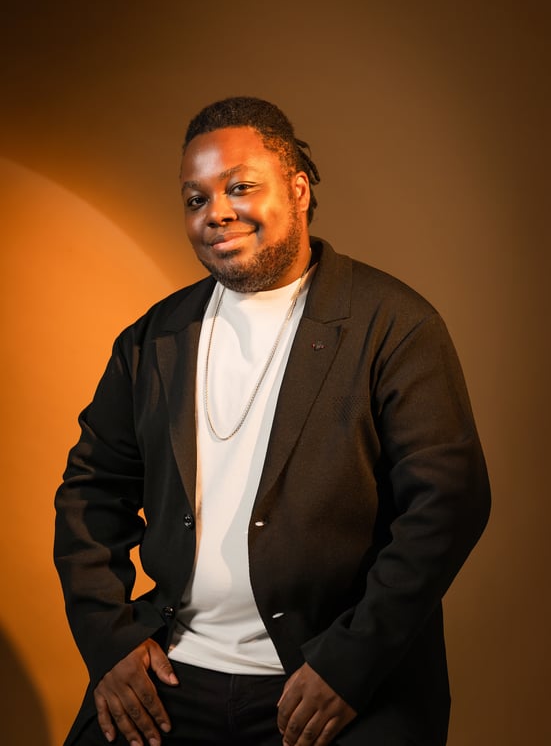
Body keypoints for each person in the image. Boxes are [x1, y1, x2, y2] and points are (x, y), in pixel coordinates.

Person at [54, 96, 491, 746]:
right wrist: (110, 641)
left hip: (329, 669)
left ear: (298, 190)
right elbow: (91, 492)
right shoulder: (153, 339)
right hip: (175, 671)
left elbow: (447, 507)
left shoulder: (394, 325)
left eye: (239, 187)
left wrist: (349, 665)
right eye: (196, 198)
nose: (216, 212)